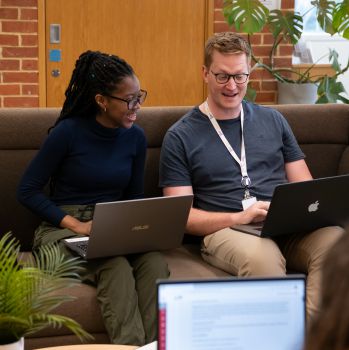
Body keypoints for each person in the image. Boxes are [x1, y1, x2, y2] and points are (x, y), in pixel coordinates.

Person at [159, 32, 344, 323]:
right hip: (226, 229)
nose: (232, 86)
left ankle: (310, 339)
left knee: (338, 244)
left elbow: (306, 189)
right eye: (222, 77)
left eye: (240, 76)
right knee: (263, 260)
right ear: (205, 73)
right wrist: (238, 218)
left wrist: (306, 211)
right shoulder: (180, 135)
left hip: (283, 222)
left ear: (249, 73)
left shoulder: (273, 120)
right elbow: (180, 216)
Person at [17, 50, 169, 346]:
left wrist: (140, 230)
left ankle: (156, 345)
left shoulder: (136, 138)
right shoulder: (67, 133)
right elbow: (27, 190)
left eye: (140, 96)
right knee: (113, 264)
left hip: (111, 226)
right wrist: (77, 225)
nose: (137, 106)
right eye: (129, 100)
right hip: (60, 231)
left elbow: (134, 196)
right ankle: (128, 346)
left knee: (153, 262)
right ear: (101, 100)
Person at [304, 228, 349, 350]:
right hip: (248, 228)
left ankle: (308, 337)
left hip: (305, 227)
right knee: (260, 260)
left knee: (334, 242)